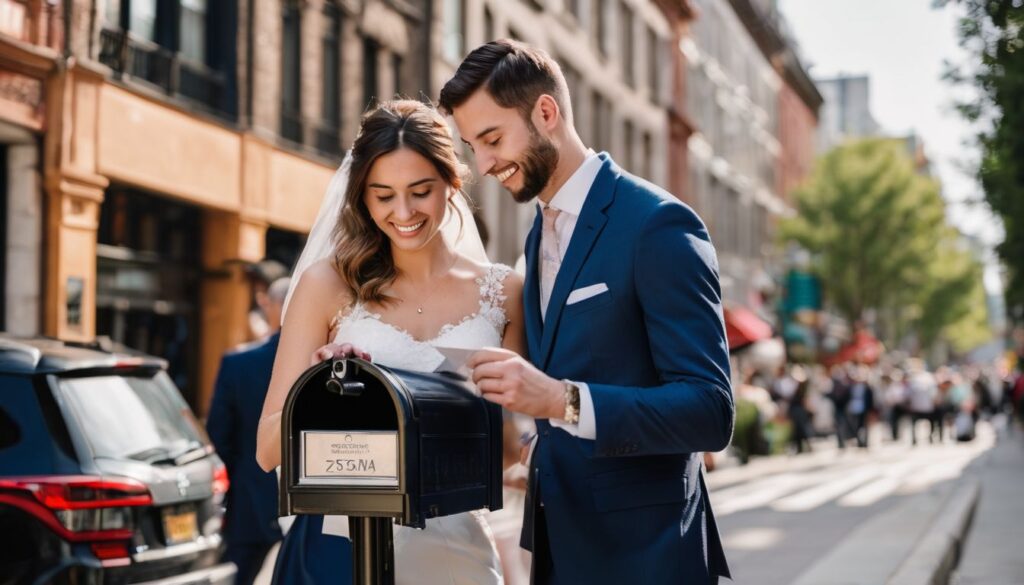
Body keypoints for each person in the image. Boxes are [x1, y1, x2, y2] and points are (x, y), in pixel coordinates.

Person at [440, 39, 734, 584]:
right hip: (560, 550)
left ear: (545, 113)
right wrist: (536, 445)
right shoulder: (537, 236)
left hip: (647, 557)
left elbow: (710, 411)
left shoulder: (658, 224)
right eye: (471, 145)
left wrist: (561, 401)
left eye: (491, 139)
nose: (482, 165)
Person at [255, 100, 522, 585]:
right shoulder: (327, 285)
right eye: (383, 196)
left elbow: (506, 450)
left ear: (452, 182)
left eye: (421, 191)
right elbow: (268, 450)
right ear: (362, 197)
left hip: (454, 553)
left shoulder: (504, 293)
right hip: (340, 551)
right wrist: (322, 389)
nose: (403, 213)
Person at [206, 277, 290, 585]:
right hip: (311, 506)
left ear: (270, 305)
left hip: (250, 502)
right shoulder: (327, 362)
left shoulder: (238, 363)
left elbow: (219, 439)